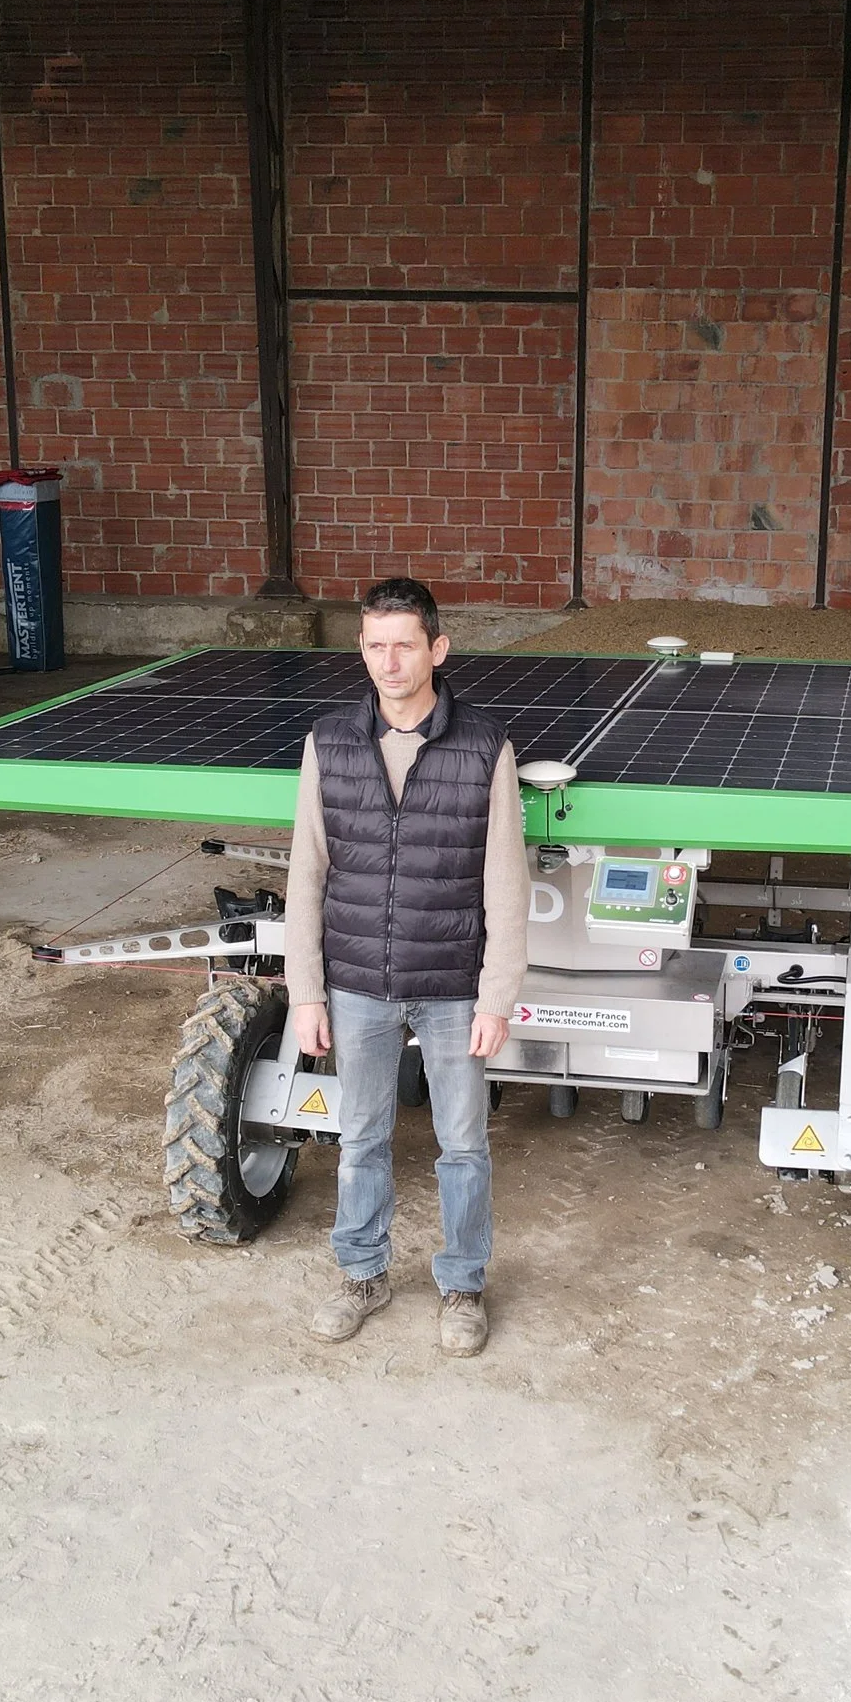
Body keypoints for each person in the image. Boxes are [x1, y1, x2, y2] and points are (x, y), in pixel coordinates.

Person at [284, 577, 528, 1357]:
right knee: (360, 1139)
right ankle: (362, 1274)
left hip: (452, 984)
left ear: (437, 649)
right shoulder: (328, 742)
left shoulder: (485, 745)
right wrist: (305, 990)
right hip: (357, 981)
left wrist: (496, 995)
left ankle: (463, 1284)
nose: (389, 662)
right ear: (362, 649)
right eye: (375, 646)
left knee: (463, 1146)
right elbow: (306, 874)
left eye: (405, 645)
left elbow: (506, 880)